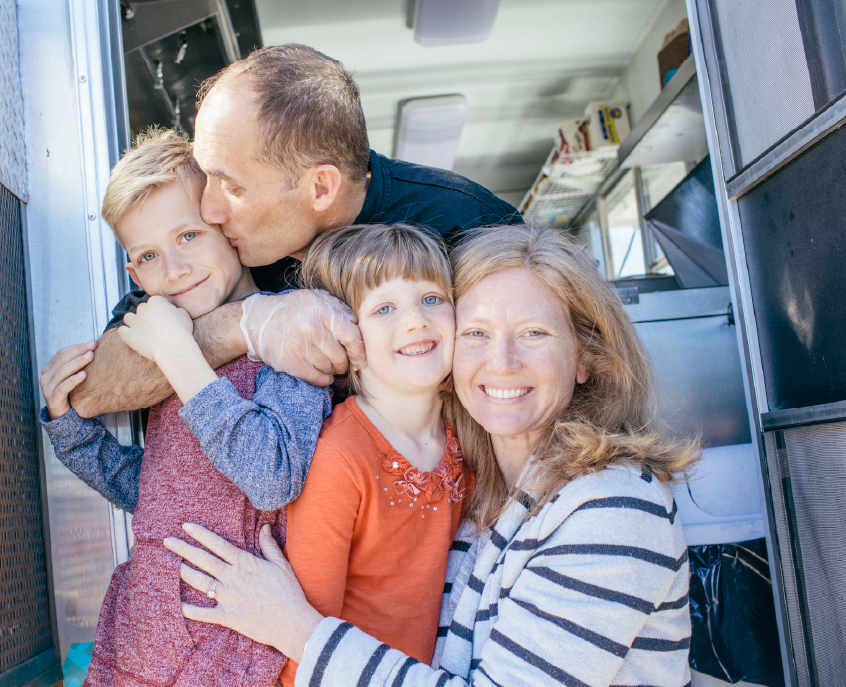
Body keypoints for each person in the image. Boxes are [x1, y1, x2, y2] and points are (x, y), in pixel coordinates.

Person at [163, 226, 697, 687]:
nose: (502, 362)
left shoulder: (614, 506)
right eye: (477, 334)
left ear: (587, 359)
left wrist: (293, 625)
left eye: (534, 334)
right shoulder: (478, 482)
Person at [57, 44, 523, 420]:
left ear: (320, 187)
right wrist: (250, 322)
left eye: (231, 185)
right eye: (208, 177)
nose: (209, 208)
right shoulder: (227, 244)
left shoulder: (468, 227)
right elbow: (92, 388)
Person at [37, 128, 332, 687]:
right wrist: (71, 430)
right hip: (141, 636)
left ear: (229, 229)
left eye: (189, 235)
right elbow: (151, 493)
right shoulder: (164, 356)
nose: (173, 269)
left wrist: (180, 358)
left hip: (227, 645)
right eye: (148, 255)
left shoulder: (287, 336)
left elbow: (272, 479)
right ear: (134, 276)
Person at [278, 224, 472, 687]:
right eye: (384, 307)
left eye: (431, 298)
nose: (416, 321)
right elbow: (302, 635)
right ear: (346, 333)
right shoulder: (341, 457)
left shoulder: (466, 431)